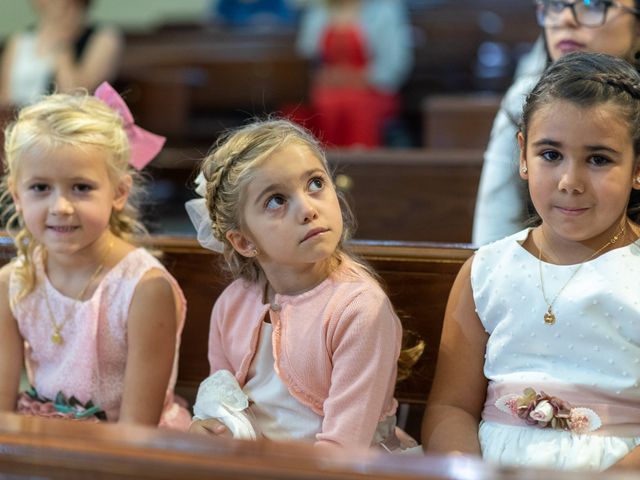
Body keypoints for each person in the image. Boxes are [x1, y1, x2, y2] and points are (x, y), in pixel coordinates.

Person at [422, 51, 640, 470]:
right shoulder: (486, 272)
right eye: (550, 155)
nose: (569, 182)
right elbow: (451, 408)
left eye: (599, 159)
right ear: (522, 154)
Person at [185, 119, 408, 449]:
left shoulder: (358, 309)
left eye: (315, 183)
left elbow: (342, 449)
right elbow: (226, 402)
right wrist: (214, 427)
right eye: (276, 200)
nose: (307, 209)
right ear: (244, 241)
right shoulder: (233, 304)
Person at [0, 82, 190, 429]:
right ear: (17, 196)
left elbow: (136, 431)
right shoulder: (11, 283)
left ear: (118, 192)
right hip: (44, 443)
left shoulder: (144, 289)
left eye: (81, 187)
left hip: (125, 453)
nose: (60, 207)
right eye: (40, 188)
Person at [472, 0, 640, 245]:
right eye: (556, 4)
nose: (565, 19)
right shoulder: (525, 97)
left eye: (595, 5)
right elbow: (491, 242)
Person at [295, 0, 413, 148]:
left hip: (371, 90)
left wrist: (359, 79)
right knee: (304, 108)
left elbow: (394, 66)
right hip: (326, 88)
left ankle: (359, 164)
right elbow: (306, 59)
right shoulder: (317, 12)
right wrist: (320, 76)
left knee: (355, 107)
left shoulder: (384, 12)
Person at [0, 0, 122, 108]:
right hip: (20, 123)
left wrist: (62, 45)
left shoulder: (103, 37)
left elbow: (77, 96)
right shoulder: (19, 40)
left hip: (65, 125)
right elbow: (4, 99)